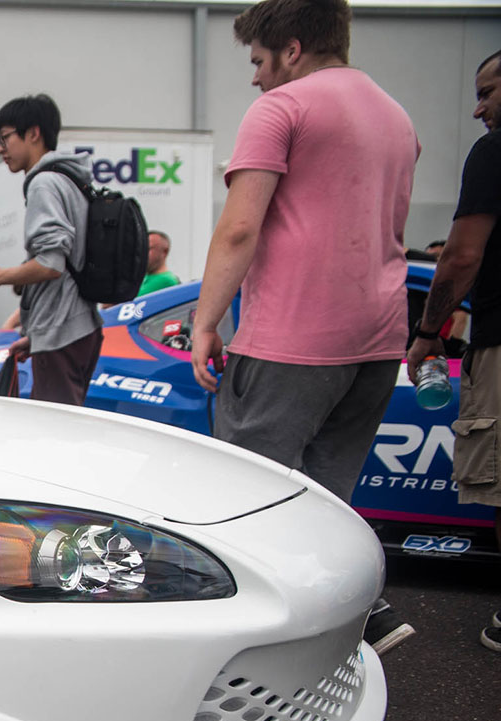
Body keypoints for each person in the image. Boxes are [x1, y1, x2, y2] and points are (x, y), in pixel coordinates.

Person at [190, 0, 419, 655]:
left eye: (259, 61)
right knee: (331, 501)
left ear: (292, 49)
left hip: (293, 341)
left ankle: (242, 647)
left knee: (246, 499)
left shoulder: (282, 108)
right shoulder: (398, 119)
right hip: (377, 343)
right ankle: (359, 616)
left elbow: (239, 226)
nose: (255, 78)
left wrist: (205, 322)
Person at [406, 44, 501, 655]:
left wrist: (428, 333)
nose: (477, 110)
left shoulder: (497, 150)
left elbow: (462, 256)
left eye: (487, 92)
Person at [0, 94, 101, 405]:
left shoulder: (44, 183)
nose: (1, 149)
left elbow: (51, 264)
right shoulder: (70, 180)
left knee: (57, 437)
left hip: (62, 332)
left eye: (5, 138)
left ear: (34, 133)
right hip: (75, 328)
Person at [139, 231, 180, 296]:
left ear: (165, 252)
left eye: (149, 249)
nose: (143, 253)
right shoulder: (145, 278)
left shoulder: (166, 281)